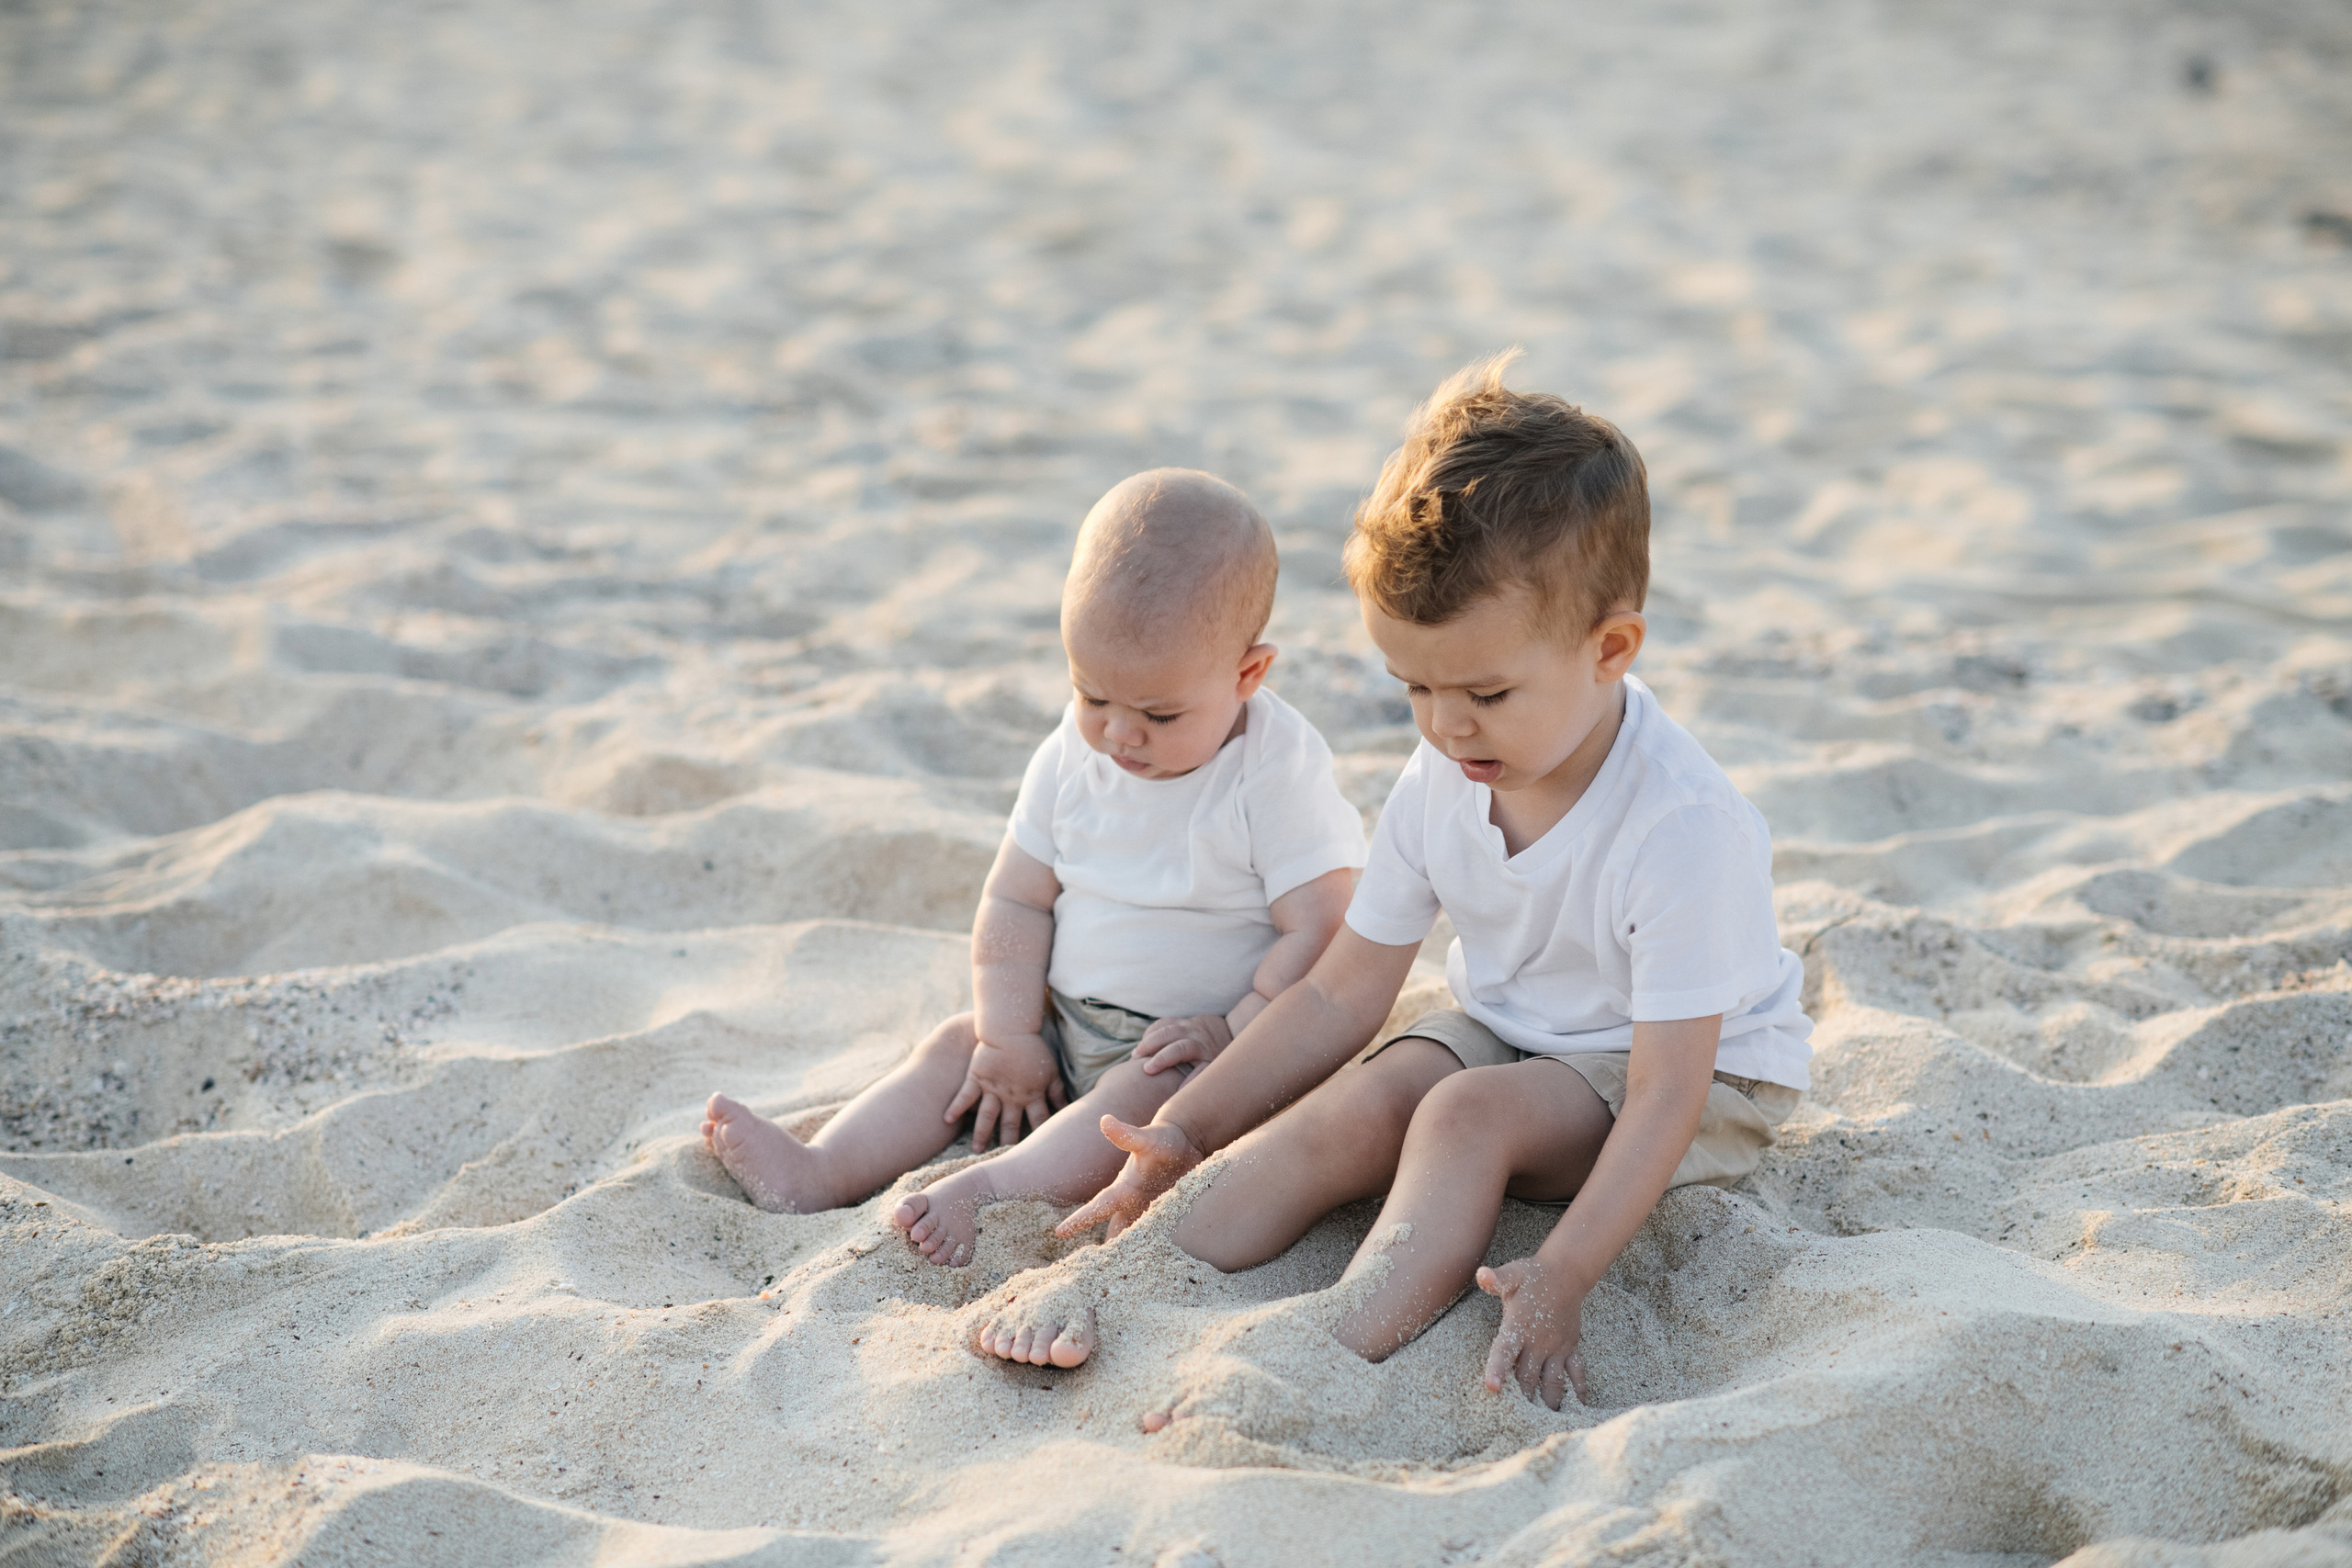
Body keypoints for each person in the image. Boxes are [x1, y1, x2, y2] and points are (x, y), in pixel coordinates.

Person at [968, 357, 1814, 1404]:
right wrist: (1186, 1127)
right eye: (1414, 686)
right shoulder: (1448, 770)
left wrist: (1563, 1271)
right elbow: (1337, 992)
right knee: (1373, 1092)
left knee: (1464, 1114)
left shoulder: (1681, 826)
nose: (1446, 726)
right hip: (1522, 1030)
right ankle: (1131, 1271)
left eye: (1486, 692)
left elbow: (1666, 1095)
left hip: (1697, 1078)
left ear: (1611, 648)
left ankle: (1327, 1346)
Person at [701, 469, 1367, 1262]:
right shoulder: (1069, 756)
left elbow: (1322, 925)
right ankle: (823, 1167)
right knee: (957, 1046)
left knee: (1141, 1099)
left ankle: (989, 1189)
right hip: (1062, 1016)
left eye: (1158, 713)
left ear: (1247, 674)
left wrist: (1237, 1026)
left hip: (1191, 1051)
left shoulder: (1276, 770)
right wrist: (1012, 1033)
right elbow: (1017, 899)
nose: (1120, 734)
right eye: (1092, 695)